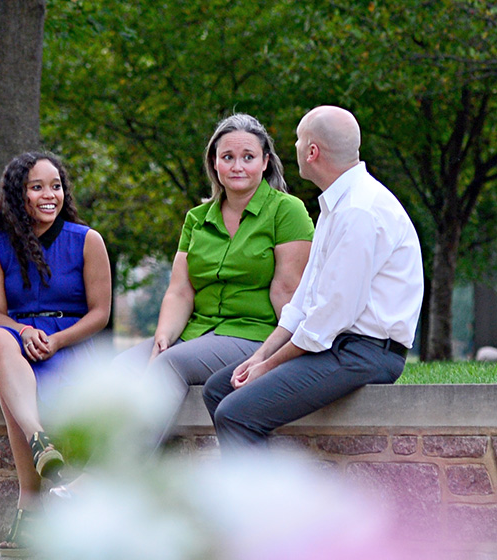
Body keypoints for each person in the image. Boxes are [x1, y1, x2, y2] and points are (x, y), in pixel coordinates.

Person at [202, 105, 424, 451]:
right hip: (337, 344)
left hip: (366, 354)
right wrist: (259, 356)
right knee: (219, 388)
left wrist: (269, 366)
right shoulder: (336, 206)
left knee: (235, 413)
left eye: (297, 140)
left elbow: (330, 317)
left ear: (312, 151)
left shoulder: (359, 211)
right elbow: (304, 301)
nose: (293, 148)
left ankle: (266, 505)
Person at [115, 113, 313, 443]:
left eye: (248, 157)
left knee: (170, 365)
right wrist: (163, 335)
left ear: (265, 162)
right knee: (120, 368)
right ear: (214, 163)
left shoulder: (287, 211)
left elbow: (289, 291)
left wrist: (282, 355)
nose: (238, 166)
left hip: (253, 333)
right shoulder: (197, 218)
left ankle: (105, 480)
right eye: (228, 157)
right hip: (196, 332)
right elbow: (180, 291)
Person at [0, 152, 111, 557]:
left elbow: (101, 313)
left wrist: (57, 341)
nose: (49, 195)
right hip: (13, 341)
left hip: (69, 343)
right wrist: (24, 332)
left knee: (13, 390)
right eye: (37, 186)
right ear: (17, 194)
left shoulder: (87, 240)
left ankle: (29, 502)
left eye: (55, 186)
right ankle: (40, 441)